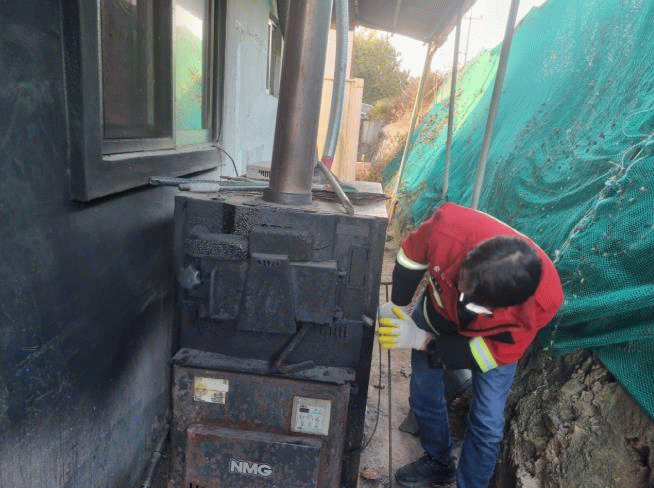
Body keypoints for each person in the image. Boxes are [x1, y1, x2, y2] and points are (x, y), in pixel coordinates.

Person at [378, 202, 563, 488]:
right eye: (462, 284)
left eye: (473, 301)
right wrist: (397, 304)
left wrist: (420, 340)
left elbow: (489, 355)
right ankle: (438, 463)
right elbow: (410, 258)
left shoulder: (539, 304)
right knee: (424, 392)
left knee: (487, 422)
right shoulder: (447, 228)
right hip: (439, 311)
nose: (463, 300)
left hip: (489, 339)